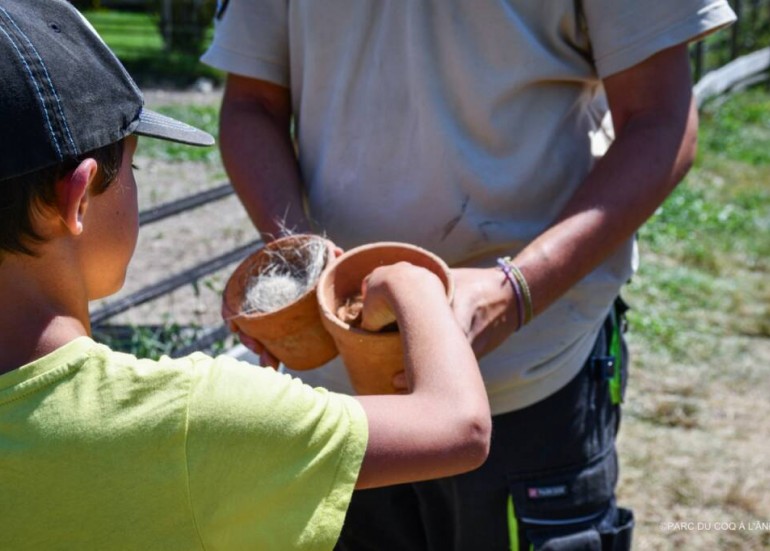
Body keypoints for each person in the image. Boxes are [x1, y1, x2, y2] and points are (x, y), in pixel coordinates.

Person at [203, 1, 737, 549]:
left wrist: (513, 294)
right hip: (342, 403)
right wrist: (299, 264)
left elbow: (661, 118)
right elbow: (251, 103)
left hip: (529, 373)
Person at [0, 1, 492, 549]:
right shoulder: (188, 421)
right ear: (77, 201)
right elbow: (460, 426)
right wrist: (411, 279)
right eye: (132, 165)